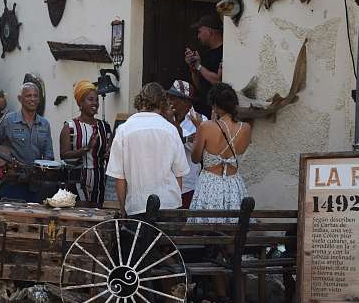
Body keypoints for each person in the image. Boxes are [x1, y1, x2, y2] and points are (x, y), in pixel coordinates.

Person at [106, 82, 189, 219]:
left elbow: (120, 179)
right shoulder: (170, 130)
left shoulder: (124, 130)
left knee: (139, 241)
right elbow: (178, 175)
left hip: (137, 207)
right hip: (169, 205)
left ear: (140, 100)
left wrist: (122, 209)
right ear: (162, 103)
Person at [189, 83, 252, 222]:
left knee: (206, 228)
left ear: (215, 105)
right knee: (233, 229)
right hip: (234, 185)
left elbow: (195, 158)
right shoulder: (246, 128)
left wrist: (199, 128)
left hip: (209, 185)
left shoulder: (205, 127)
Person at [0, 82, 54, 202]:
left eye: (35, 96)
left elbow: (49, 155)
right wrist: (5, 164)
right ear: (20, 99)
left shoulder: (44, 124)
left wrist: (39, 171)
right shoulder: (8, 120)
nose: (32, 99)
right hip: (12, 183)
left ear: (39, 99)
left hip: (36, 184)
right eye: (28, 96)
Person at [59, 80, 112, 207]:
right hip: (78, 180)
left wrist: (109, 155)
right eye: (90, 99)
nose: (95, 103)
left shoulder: (104, 127)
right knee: (83, 213)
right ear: (80, 103)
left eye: (96, 100)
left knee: (98, 214)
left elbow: (109, 152)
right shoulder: (70, 127)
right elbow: (64, 155)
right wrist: (86, 148)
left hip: (100, 180)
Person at [165, 80, 207, 208]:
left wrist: (173, 124)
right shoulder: (163, 118)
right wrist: (187, 138)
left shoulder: (202, 120)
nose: (169, 101)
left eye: (173, 98)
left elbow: (199, 150)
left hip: (188, 185)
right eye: (168, 97)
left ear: (186, 102)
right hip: (166, 184)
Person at [185, 13, 223, 118]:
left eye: (200, 32)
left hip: (217, 112)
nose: (198, 36)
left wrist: (199, 66)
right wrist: (193, 68)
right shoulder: (206, 55)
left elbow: (218, 82)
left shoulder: (225, 53)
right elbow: (200, 87)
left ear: (209, 31)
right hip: (204, 111)